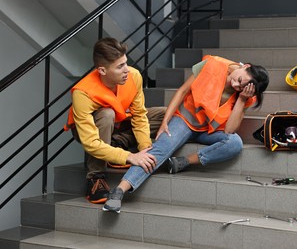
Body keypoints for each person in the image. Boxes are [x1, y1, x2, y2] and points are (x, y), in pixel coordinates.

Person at [102, 54, 270, 213]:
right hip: (185, 121)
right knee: (160, 148)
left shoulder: (247, 95)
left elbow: (229, 130)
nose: (236, 86)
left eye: (241, 87)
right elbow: (182, 91)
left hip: (209, 131)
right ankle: (120, 189)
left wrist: (241, 99)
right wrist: (165, 122)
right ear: (245, 66)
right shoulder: (212, 64)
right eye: (239, 80)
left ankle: (183, 162)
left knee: (235, 143)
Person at [64, 37, 166, 204]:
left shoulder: (133, 76)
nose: (127, 70)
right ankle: (95, 177)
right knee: (106, 114)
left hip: (119, 123)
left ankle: (115, 145)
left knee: (164, 114)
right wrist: (129, 156)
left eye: (125, 62)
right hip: (92, 131)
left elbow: (139, 115)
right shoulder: (82, 93)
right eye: (120, 67)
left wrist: (145, 149)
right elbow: (90, 143)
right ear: (102, 70)